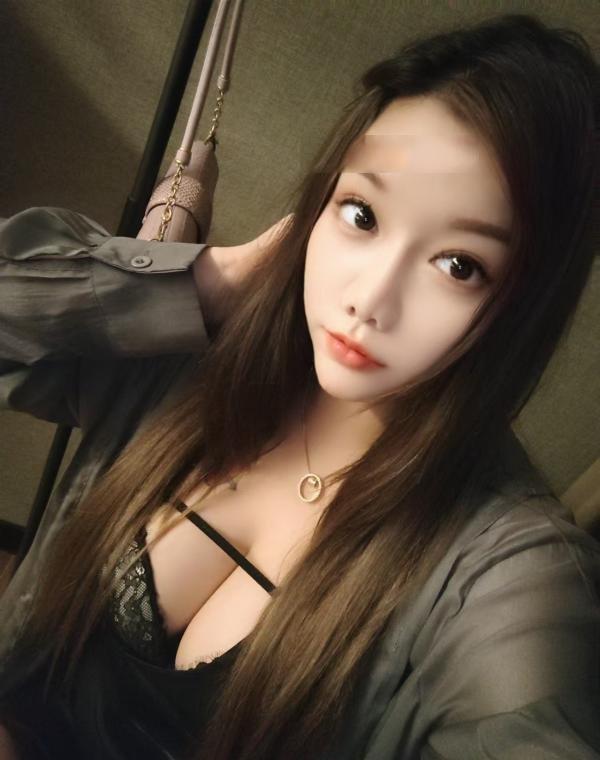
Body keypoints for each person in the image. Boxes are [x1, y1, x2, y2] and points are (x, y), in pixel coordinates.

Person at [0, 11, 599, 760]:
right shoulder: (194, 355)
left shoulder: (503, 570)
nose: (370, 299)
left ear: (521, 305)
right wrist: (208, 282)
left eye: (459, 265)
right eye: (362, 214)